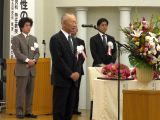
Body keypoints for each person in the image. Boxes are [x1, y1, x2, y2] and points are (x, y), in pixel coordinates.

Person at [49, 13, 81, 120]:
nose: (75, 24)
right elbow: (58, 60)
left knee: (69, 111)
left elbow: (76, 58)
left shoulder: (74, 39)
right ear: (63, 23)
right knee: (59, 111)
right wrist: (70, 74)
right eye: (72, 22)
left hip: (73, 82)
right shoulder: (56, 39)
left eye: (75, 22)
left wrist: (77, 72)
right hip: (61, 81)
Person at [11, 17, 39, 119]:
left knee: (30, 92)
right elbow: (17, 53)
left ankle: (28, 111)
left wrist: (34, 60)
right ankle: (19, 112)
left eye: (30, 25)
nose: (29, 27)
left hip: (32, 70)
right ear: (21, 27)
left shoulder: (34, 39)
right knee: (20, 92)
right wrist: (28, 60)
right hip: (22, 70)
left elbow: (37, 52)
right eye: (26, 25)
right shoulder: (16, 38)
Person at [71, 28, 86, 115]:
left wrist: (77, 67)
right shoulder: (67, 40)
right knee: (69, 89)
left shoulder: (81, 41)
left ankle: (75, 109)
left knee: (76, 89)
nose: (73, 30)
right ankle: (68, 108)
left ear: (77, 30)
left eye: (75, 29)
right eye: (72, 28)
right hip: (69, 70)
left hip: (78, 69)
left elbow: (83, 56)